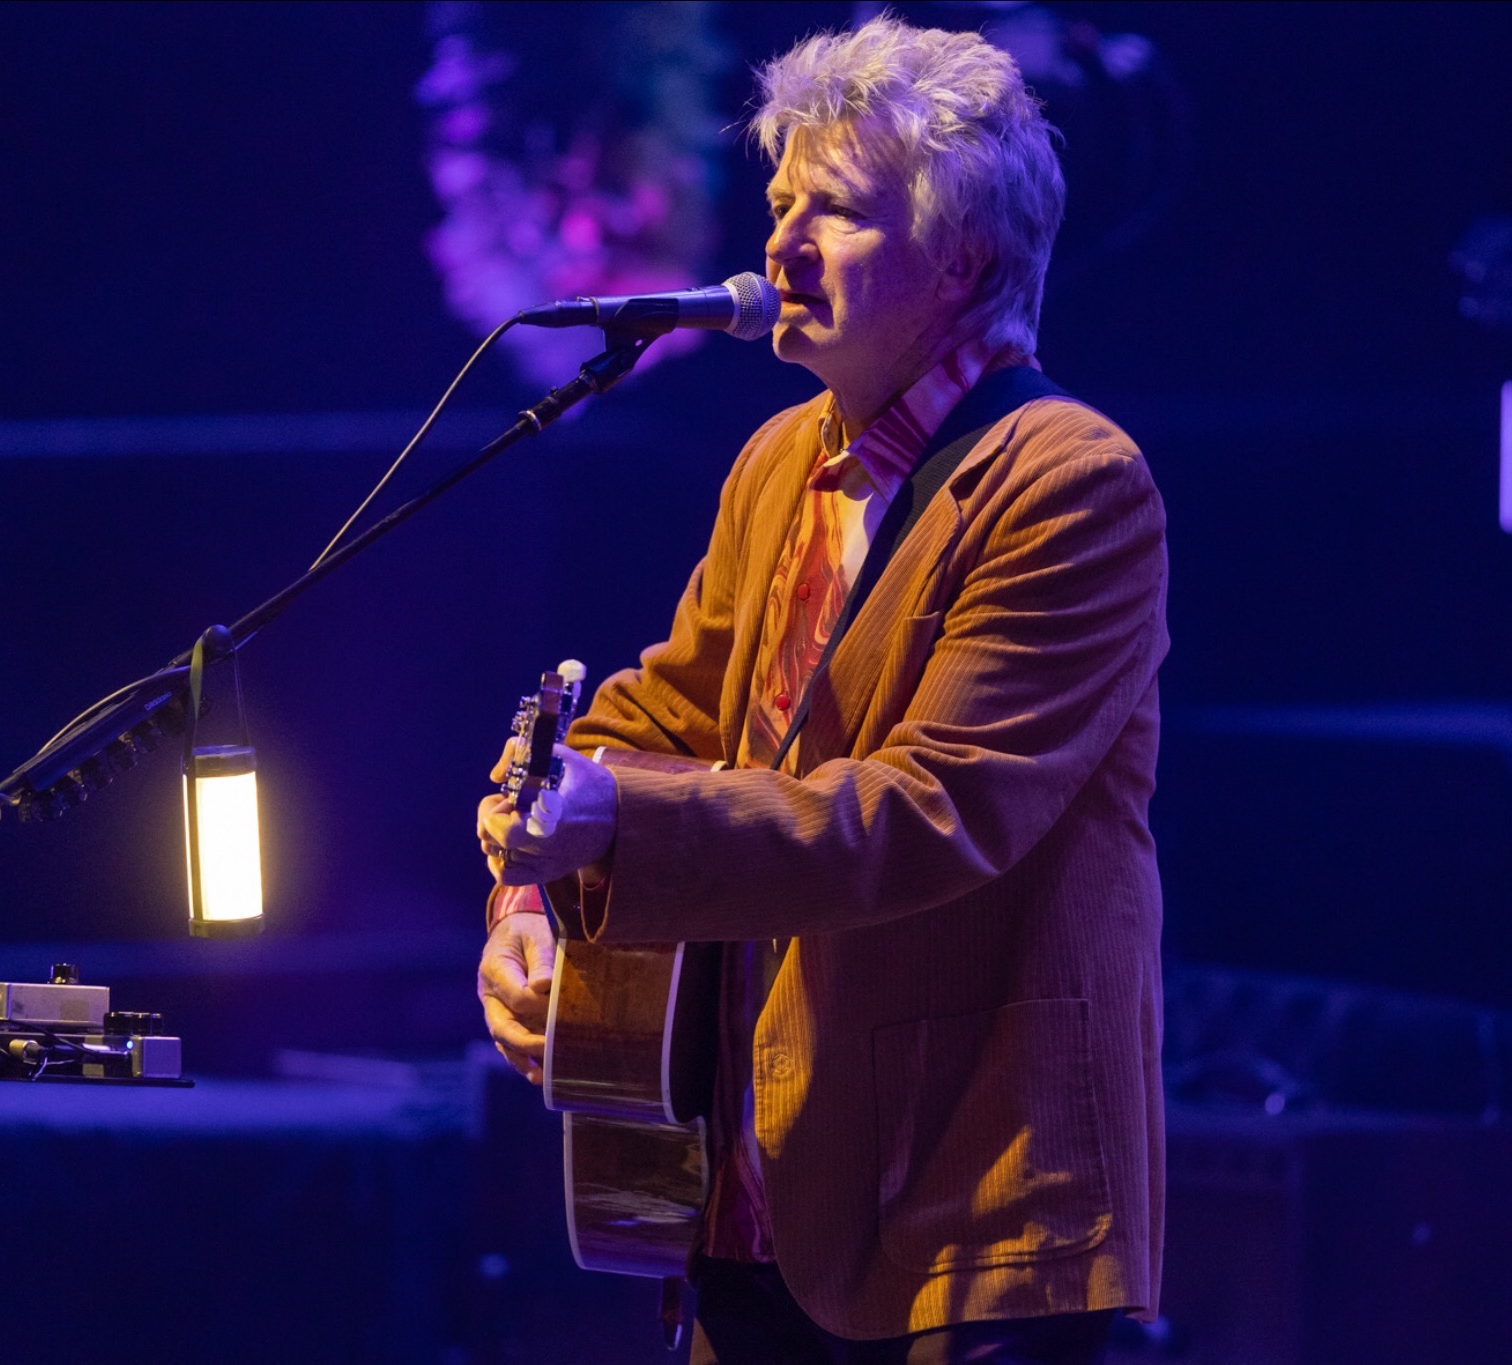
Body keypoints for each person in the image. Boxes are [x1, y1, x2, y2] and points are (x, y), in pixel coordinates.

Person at [475, 15, 1167, 1364]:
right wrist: (529, 895)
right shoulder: (782, 460)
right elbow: (653, 723)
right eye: (781, 201)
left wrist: (612, 821)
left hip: (969, 1207)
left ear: (963, 259)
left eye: (835, 211)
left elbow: (931, 810)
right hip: (751, 1186)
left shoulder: (1068, 481)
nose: (779, 244)